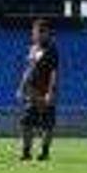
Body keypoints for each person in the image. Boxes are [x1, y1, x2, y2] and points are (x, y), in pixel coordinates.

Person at [17, 18, 59, 162]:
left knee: (47, 124)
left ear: (46, 33)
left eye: (38, 32)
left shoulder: (52, 50)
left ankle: (44, 152)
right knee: (25, 122)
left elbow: (54, 72)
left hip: (45, 90)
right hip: (32, 90)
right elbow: (28, 69)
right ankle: (26, 152)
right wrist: (21, 87)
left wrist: (51, 91)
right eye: (34, 32)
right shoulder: (33, 48)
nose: (35, 35)